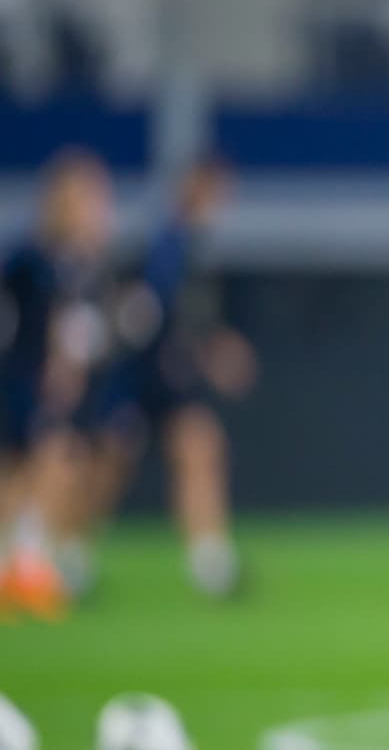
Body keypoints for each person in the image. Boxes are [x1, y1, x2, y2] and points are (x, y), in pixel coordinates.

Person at [90, 153, 255, 598]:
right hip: (138, 375)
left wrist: (211, 348)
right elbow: (145, 314)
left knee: (199, 446)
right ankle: (62, 552)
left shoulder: (194, 245)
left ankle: (210, 560)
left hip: (168, 377)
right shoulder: (163, 242)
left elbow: (188, 318)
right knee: (105, 464)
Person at [0, 147, 116, 619]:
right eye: (88, 199)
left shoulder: (87, 264)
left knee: (55, 463)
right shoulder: (32, 260)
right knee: (34, 464)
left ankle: (29, 562)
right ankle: (25, 565)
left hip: (60, 385)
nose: (97, 210)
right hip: (23, 379)